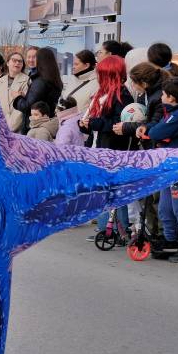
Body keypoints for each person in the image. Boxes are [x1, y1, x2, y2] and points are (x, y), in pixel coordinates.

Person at [137, 76, 178, 263]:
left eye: (164, 94)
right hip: (169, 168)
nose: (162, 96)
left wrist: (152, 130)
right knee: (165, 209)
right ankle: (170, 240)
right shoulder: (175, 111)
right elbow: (157, 128)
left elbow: (156, 132)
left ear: (171, 97)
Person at [80, 55, 134, 240]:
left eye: (100, 73)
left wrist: (95, 123)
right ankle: (105, 229)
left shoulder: (122, 94)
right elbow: (95, 121)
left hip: (111, 148)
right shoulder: (101, 93)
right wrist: (85, 124)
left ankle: (120, 230)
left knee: (114, 192)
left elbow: (119, 124)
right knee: (102, 190)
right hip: (97, 146)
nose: (97, 76)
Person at [14, 46, 61, 123]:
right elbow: (39, 100)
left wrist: (18, 98)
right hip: (44, 121)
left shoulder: (40, 80)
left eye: (35, 57)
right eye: (28, 57)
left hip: (36, 123)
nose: (32, 60)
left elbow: (28, 107)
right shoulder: (51, 76)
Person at [0, 51, 29, 131]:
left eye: (20, 61)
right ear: (7, 63)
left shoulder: (27, 80)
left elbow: (20, 111)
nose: (17, 63)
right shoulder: (0, 81)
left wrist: (9, 128)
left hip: (16, 128)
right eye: (14, 60)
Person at [63, 50, 98, 114]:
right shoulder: (72, 79)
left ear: (87, 65)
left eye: (76, 64)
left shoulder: (96, 84)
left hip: (80, 122)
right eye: (73, 64)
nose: (73, 67)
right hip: (64, 120)